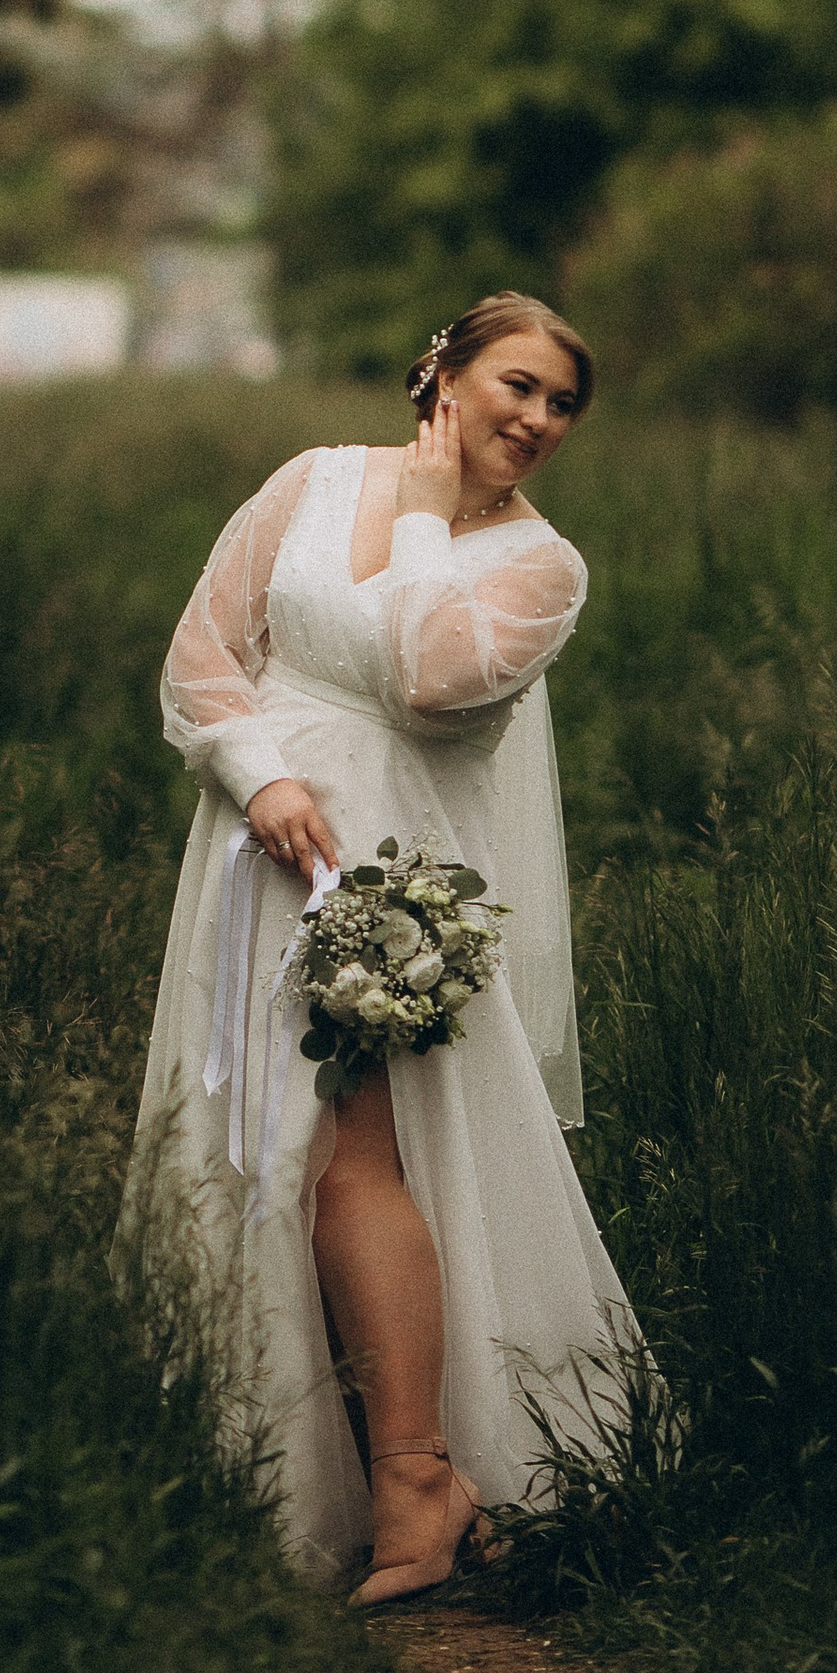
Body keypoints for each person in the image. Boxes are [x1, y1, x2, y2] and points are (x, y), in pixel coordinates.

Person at [121, 293, 640, 1604]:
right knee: (259, 1157)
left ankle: (420, 1479)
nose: (535, 419)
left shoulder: (541, 571)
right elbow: (203, 656)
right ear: (446, 376)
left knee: (348, 1160)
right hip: (261, 859)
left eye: (560, 403)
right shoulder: (306, 483)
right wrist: (258, 777)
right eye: (516, 385)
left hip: (395, 888)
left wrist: (423, 508)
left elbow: (425, 673)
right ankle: (291, 1463)